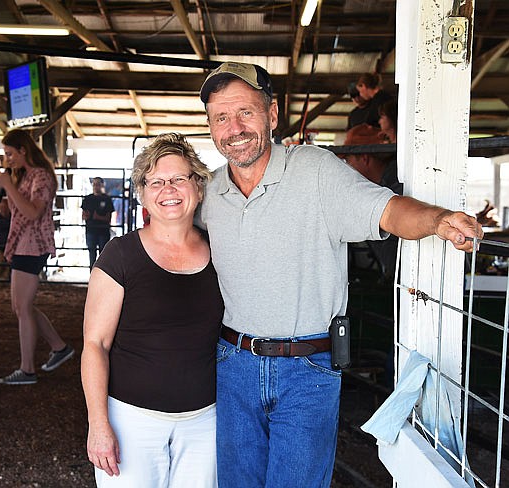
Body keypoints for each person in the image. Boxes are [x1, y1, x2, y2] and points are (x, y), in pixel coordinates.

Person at [197, 61, 483, 487]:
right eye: (221, 117)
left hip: (306, 369)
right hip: (233, 363)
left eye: (246, 113)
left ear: (272, 115)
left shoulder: (315, 170)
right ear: (210, 125)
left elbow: (386, 209)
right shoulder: (210, 192)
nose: (234, 127)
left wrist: (439, 219)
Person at [81, 133, 223, 487]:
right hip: (131, 421)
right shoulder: (120, 255)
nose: (168, 189)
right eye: (156, 182)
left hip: (206, 421)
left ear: (199, 188)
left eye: (179, 179)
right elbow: (95, 344)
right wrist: (98, 424)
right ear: (142, 194)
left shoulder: (223, 252)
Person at [0, 129, 73, 385]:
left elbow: (32, 213)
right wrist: (8, 189)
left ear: (23, 150)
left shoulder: (41, 176)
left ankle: (27, 369)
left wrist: (7, 186)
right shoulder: (26, 176)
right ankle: (59, 347)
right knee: (21, 306)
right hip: (23, 245)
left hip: (33, 245)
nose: (8, 159)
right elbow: (15, 210)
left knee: (22, 307)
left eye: (10, 153)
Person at [343, 123, 402, 279]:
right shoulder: (393, 179)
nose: (346, 168)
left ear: (364, 158)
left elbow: (393, 263)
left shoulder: (395, 189)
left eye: (348, 161)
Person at [81, 177, 115, 268]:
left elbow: (108, 218)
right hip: (91, 231)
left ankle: (101, 278)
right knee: (92, 255)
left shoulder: (107, 199)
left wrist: (96, 217)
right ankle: (92, 277)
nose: (96, 186)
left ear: (102, 185)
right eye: (94, 184)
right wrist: (88, 216)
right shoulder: (87, 199)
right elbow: (83, 215)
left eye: (98, 184)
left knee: (103, 257)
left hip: (102, 231)